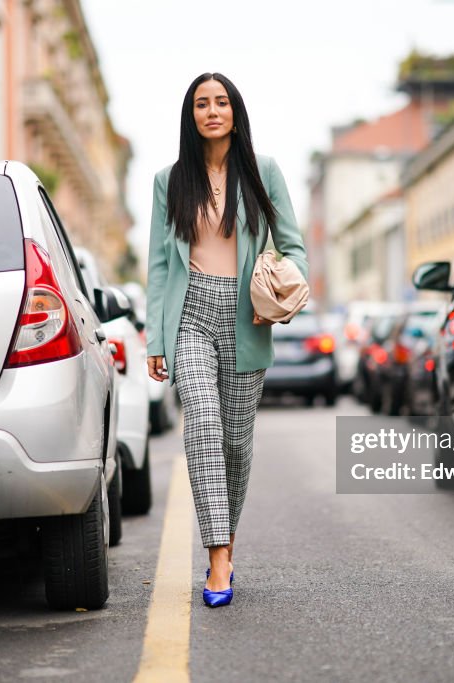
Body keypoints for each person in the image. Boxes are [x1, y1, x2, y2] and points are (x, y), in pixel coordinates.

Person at [145, 72, 308, 607]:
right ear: (190, 116)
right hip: (189, 314)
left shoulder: (263, 172)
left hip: (247, 317)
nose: (211, 111)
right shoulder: (170, 180)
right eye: (201, 104)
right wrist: (155, 339)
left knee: (237, 443)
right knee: (204, 429)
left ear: (235, 111)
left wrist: (283, 288)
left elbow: (293, 244)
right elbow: (160, 264)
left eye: (221, 102)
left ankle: (226, 538)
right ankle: (218, 558)